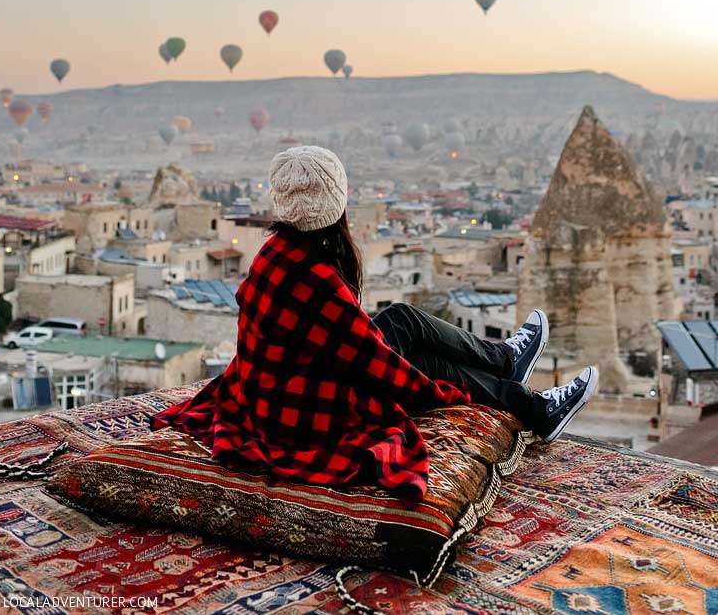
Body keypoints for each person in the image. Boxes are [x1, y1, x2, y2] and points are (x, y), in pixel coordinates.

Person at [151, 146, 598, 506]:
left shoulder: (275, 253)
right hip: (308, 413)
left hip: (279, 393)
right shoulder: (317, 279)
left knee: (399, 318)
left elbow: (354, 340)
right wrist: (444, 391)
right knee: (416, 359)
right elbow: (382, 368)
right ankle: (531, 405)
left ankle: (504, 361)